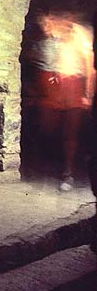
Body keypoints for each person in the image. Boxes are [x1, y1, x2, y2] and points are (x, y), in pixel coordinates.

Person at [35, 12, 94, 192]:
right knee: (48, 128)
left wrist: (88, 93)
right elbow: (46, 63)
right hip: (56, 87)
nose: (45, 26)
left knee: (71, 132)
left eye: (48, 21)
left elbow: (89, 66)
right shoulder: (51, 39)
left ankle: (67, 172)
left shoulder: (80, 36)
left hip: (74, 85)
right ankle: (57, 166)